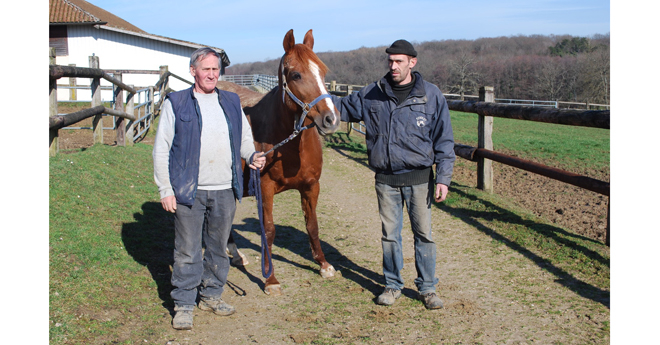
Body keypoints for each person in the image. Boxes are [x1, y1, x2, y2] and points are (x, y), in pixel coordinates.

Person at [332, 39, 455, 310]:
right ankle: (392, 285)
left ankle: (428, 288)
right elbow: (339, 106)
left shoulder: (431, 95)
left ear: (412, 62)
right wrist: (311, 93)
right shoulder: (372, 94)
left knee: (424, 235)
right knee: (390, 235)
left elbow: (444, 141)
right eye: (390, 61)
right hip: (386, 180)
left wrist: (444, 178)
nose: (393, 66)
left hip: (420, 179)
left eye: (399, 61)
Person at [152, 47, 266, 330]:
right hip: (188, 190)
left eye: (216, 69)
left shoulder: (230, 101)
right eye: (206, 69)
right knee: (188, 251)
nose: (212, 74)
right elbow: (161, 149)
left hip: (225, 189)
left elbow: (244, 138)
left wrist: (251, 156)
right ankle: (184, 304)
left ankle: (212, 295)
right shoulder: (176, 103)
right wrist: (165, 188)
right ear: (194, 71)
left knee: (217, 248)